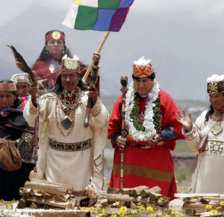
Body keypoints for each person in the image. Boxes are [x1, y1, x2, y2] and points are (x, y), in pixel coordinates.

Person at [23, 54, 109, 205]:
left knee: (79, 203)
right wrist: (34, 102)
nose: (68, 79)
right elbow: (30, 120)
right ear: (60, 78)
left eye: (72, 76)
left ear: (78, 77)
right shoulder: (49, 99)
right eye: (65, 76)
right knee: (54, 201)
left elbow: (102, 122)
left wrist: (95, 103)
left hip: (81, 160)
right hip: (54, 160)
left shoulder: (87, 100)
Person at [108, 56, 184, 199]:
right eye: (137, 81)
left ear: (152, 80)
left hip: (157, 160)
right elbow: (113, 128)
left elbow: (177, 128)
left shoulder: (164, 99)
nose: (141, 85)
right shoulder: (123, 100)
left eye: (145, 81)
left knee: (158, 204)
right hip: (129, 161)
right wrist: (117, 138)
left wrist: (161, 135)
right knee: (126, 202)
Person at [176, 74, 224, 194]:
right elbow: (195, 145)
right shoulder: (204, 117)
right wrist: (189, 129)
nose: (213, 100)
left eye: (217, 96)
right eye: (211, 96)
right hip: (205, 175)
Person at [0, 80, 34, 200]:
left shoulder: (25, 115)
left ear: (15, 97)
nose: (4, 99)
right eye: (1, 95)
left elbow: (31, 137)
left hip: (17, 167)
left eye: (8, 95)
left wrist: (12, 144)